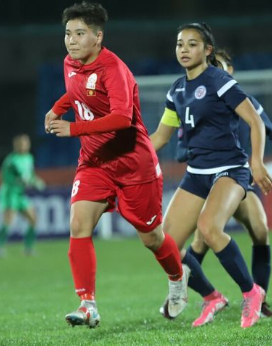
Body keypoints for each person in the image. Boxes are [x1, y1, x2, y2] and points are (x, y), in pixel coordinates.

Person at [44, 2, 189, 328]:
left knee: (151, 237)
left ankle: (178, 280)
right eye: (68, 33)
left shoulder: (114, 70)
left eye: (80, 34)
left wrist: (73, 129)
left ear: (98, 37)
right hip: (94, 163)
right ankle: (87, 304)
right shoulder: (70, 63)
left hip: (133, 165)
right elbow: (77, 91)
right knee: (79, 226)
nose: (71, 41)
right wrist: (57, 108)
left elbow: (122, 118)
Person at [149, 22, 272, 329]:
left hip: (230, 170)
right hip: (196, 174)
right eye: (180, 44)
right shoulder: (176, 90)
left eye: (192, 44)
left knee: (209, 228)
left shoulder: (220, 81)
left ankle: (251, 292)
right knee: (165, 245)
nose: (184, 49)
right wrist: (123, 155)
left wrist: (256, 163)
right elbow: (160, 138)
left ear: (207, 51)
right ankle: (211, 296)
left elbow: (255, 123)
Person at [168, 49, 272, 323]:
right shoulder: (194, 100)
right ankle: (193, 290)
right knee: (198, 238)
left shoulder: (241, 99)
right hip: (207, 177)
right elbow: (181, 141)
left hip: (235, 175)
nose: (218, 70)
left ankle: (259, 299)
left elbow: (268, 130)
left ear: (231, 71)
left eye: (222, 66)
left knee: (259, 230)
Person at [0, 134, 45, 257]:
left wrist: (37, 181)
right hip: (9, 193)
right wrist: (20, 181)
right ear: (15, 145)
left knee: (33, 219)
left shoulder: (29, 158)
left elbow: (30, 176)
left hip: (20, 194)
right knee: (9, 220)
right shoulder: (11, 161)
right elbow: (5, 178)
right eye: (21, 144)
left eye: (26, 143)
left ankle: (28, 248)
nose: (24, 146)